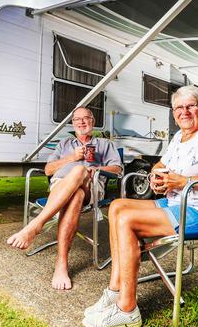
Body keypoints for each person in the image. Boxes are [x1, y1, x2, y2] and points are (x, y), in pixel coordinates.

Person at [81, 86, 198, 327]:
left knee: (127, 220)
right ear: (174, 113)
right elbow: (160, 164)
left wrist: (181, 181)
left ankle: (127, 309)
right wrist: (156, 175)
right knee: (117, 206)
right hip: (179, 202)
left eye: (190, 106)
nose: (184, 112)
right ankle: (115, 290)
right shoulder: (179, 137)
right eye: (179, 108)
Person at [7, 106, 123, 290]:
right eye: (77, 119)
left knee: (80, 170)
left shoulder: (104, 144)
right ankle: (61, 265)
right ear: (73, 123)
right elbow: (48, 170)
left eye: (86, 118)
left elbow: (117, 170)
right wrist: (71, 158)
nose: (82, 122)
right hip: (61, 186)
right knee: (75, 195)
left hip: (91, 188)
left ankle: (36, 225)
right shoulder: (64, 144)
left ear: (93, 122)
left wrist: (96, 169)